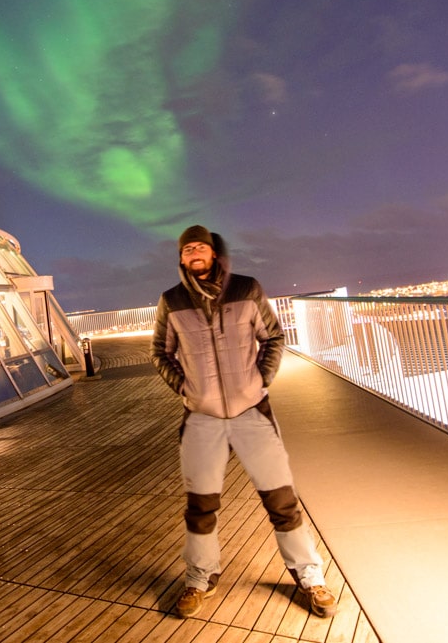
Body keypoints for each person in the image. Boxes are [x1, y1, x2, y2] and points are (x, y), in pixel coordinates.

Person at [150, 224, 336, 619]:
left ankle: (310, 576)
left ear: (214, 253)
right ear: (181, 258)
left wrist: (261, 380)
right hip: (201, 418)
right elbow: (159, 353)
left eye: (200, 247)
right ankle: (200, 579)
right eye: (187, 250)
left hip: (253, 411)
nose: (194, 253)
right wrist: (186, 390)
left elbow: (273, 337)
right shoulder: (171, 301)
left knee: (282, 501)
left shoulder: (246, 289)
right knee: (199, 507)